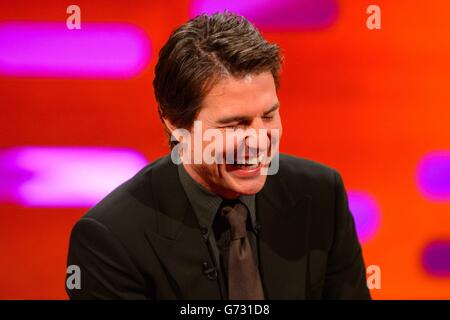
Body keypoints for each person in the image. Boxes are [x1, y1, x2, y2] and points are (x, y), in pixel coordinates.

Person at [66, 12, 371, 300]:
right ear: (175, 123)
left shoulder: (320, 195)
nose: (257, 141)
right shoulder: (111, 240)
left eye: (268, 116)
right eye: (234, 124)